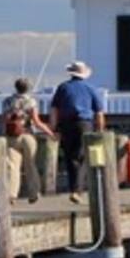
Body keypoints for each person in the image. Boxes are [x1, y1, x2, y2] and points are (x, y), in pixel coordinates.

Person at [50, 61, 107, 201]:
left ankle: (73, 188)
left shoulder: (63, 87)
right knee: (82, 157)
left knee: (70, 157)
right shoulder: (90, 88)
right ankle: (77, 190)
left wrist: (54, 128)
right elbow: (99, 112)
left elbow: (54, 109)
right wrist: (100, 129)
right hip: (84, 123)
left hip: (66, 124)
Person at [2, 78, 54, 203]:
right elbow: (36, 122)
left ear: (16, 87)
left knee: (12, 167)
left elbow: (3, 120)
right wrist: (50, 132)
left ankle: (12, 194)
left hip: (12, 136)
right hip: (28, 135)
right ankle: (34, 192)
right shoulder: (31, 101)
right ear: (28, 88)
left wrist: (2, 133)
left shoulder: (7, 101)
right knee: (30, 165)